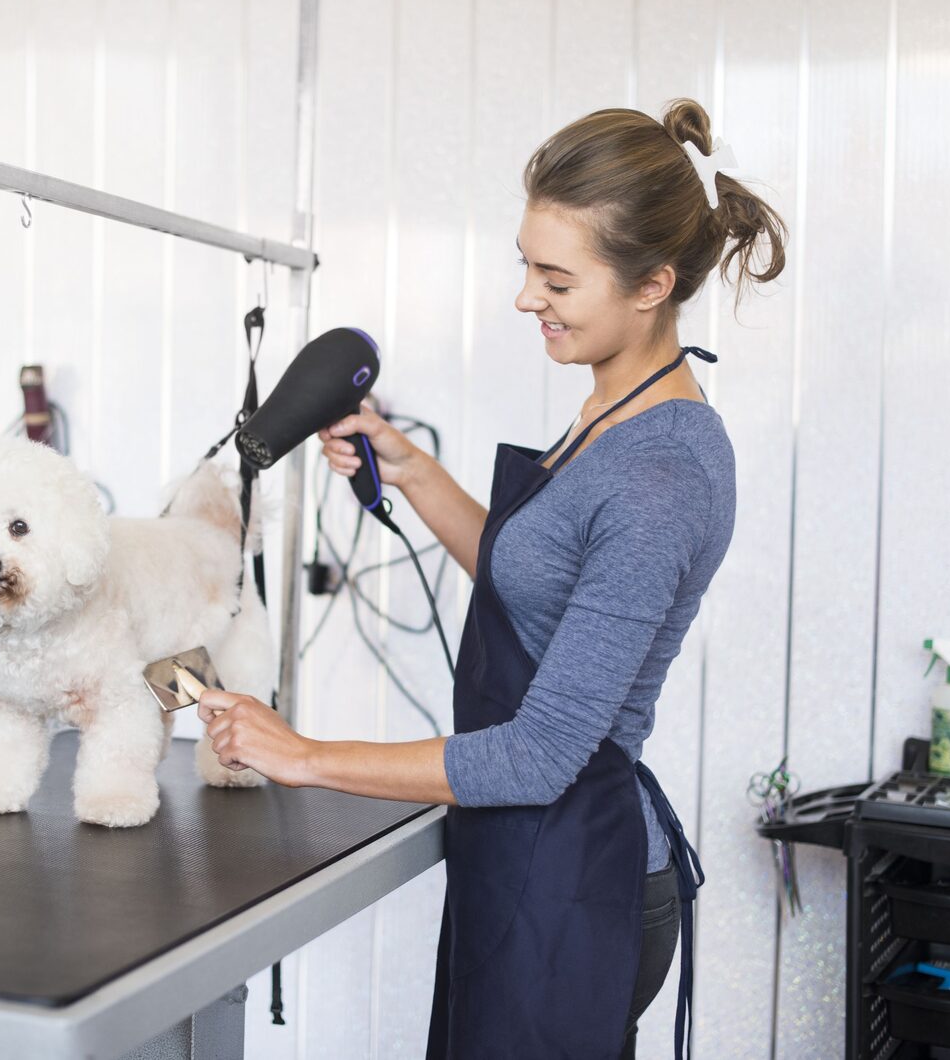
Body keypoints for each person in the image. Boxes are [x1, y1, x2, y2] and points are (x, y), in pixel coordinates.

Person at [196, 97, 786, 1059]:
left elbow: (539, 754)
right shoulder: (611, 409)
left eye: (556, 277)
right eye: (526, 264)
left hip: (577, 877)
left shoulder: (661, 476)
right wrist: (410, 466)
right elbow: (537, 582)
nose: (526, 298)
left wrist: (301, 755)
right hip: (522, 856)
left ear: (653, 285)